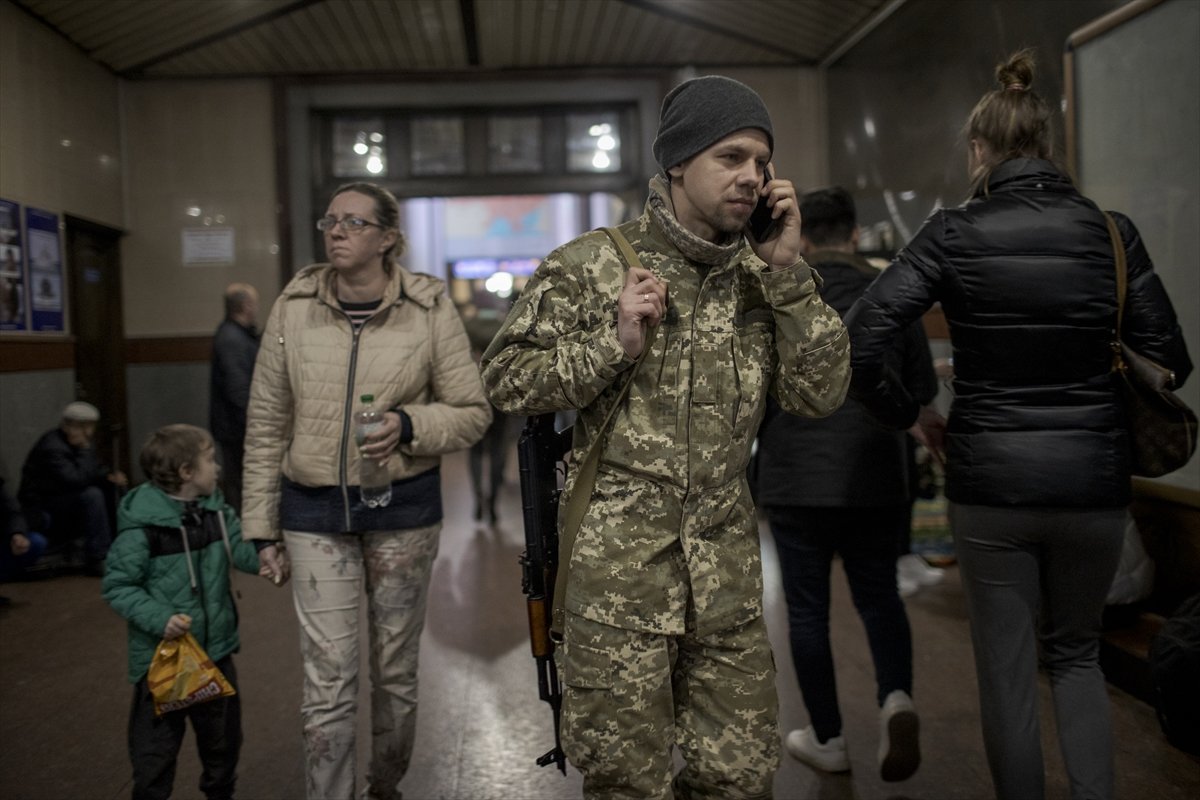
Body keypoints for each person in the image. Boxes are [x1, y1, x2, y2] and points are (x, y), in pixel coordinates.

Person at [482, 75, 851, 799]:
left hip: (727, 589)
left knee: (740, 778)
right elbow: (504, 379)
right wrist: (609, 346)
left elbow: (820, 392)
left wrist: (789, 275)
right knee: (627, 783)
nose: (752, 175)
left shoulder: (763, 274)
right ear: (678, 161)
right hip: (617, 591)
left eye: (763, 162)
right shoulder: (592, 264)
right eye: (732, 156)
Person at [844, 50, 1192, 800]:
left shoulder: (951, 234)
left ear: (979, 150)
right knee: (1076, 656)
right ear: (1047, 144)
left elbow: (863, 333)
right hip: (1093, 485)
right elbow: (1171, 359)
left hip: (990, 482)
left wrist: (911, 413)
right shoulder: (1112, 233)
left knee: (1005, 672)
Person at [241, 181, 491, 800]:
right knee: (328, 679)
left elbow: (472, 411)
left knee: (395, 674)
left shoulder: (428, 307)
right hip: (312, 511)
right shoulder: (293, 306)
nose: (337, 231)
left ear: (387, 238)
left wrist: (409, 426)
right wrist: (259, 526)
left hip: (402, 512)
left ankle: (385, 786)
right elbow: (266, 421)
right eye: (331, 220)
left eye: (354, 223)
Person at [756, 187, 935, 782]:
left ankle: (829, 738)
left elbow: (753, 388)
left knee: (807, 614)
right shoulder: (891, 288)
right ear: (856, 235)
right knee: (879, 594)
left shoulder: (784, 291)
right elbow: (919, 388)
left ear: (803, 237)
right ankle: (895, 699)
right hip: (874, 470)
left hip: (794, 473)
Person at [102, 424, 270, 800]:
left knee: (223, 744)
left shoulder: (217, 512)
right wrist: (159, 617)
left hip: (215, 653)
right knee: (155, 754)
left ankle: (219, 792)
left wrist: (268, 557)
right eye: (210, 460)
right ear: (186, 473)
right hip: (164, 661)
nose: (217, 468)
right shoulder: (142, 528)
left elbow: (241, 551)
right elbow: (117, 586)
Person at [18, 401, 128, 575]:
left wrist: (109, 475)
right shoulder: (52, 446)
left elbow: (93, 469)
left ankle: (118, 549)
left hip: (64, 498)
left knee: (110, 488)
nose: (91, 432)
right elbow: (74, 479)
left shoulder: (76, 443)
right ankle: (98, 556)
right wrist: (85, 450)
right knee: (92, 495)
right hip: (43, 504)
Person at [461, 302, 515, 525]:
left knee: (474, 453)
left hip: (473, 401)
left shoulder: (470, 343)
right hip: (498, 404)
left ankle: (478, 499)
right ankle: (492, 503)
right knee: (497, 454)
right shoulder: (501, 340)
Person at [209, 282, 260, 512]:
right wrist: (255, 421)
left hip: (235, 424)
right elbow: (238, 388)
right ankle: (241, 536)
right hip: (237, 426)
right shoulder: (232, 339)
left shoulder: (235, 335)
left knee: (240, 480)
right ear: (245, 306)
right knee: (240, 483)